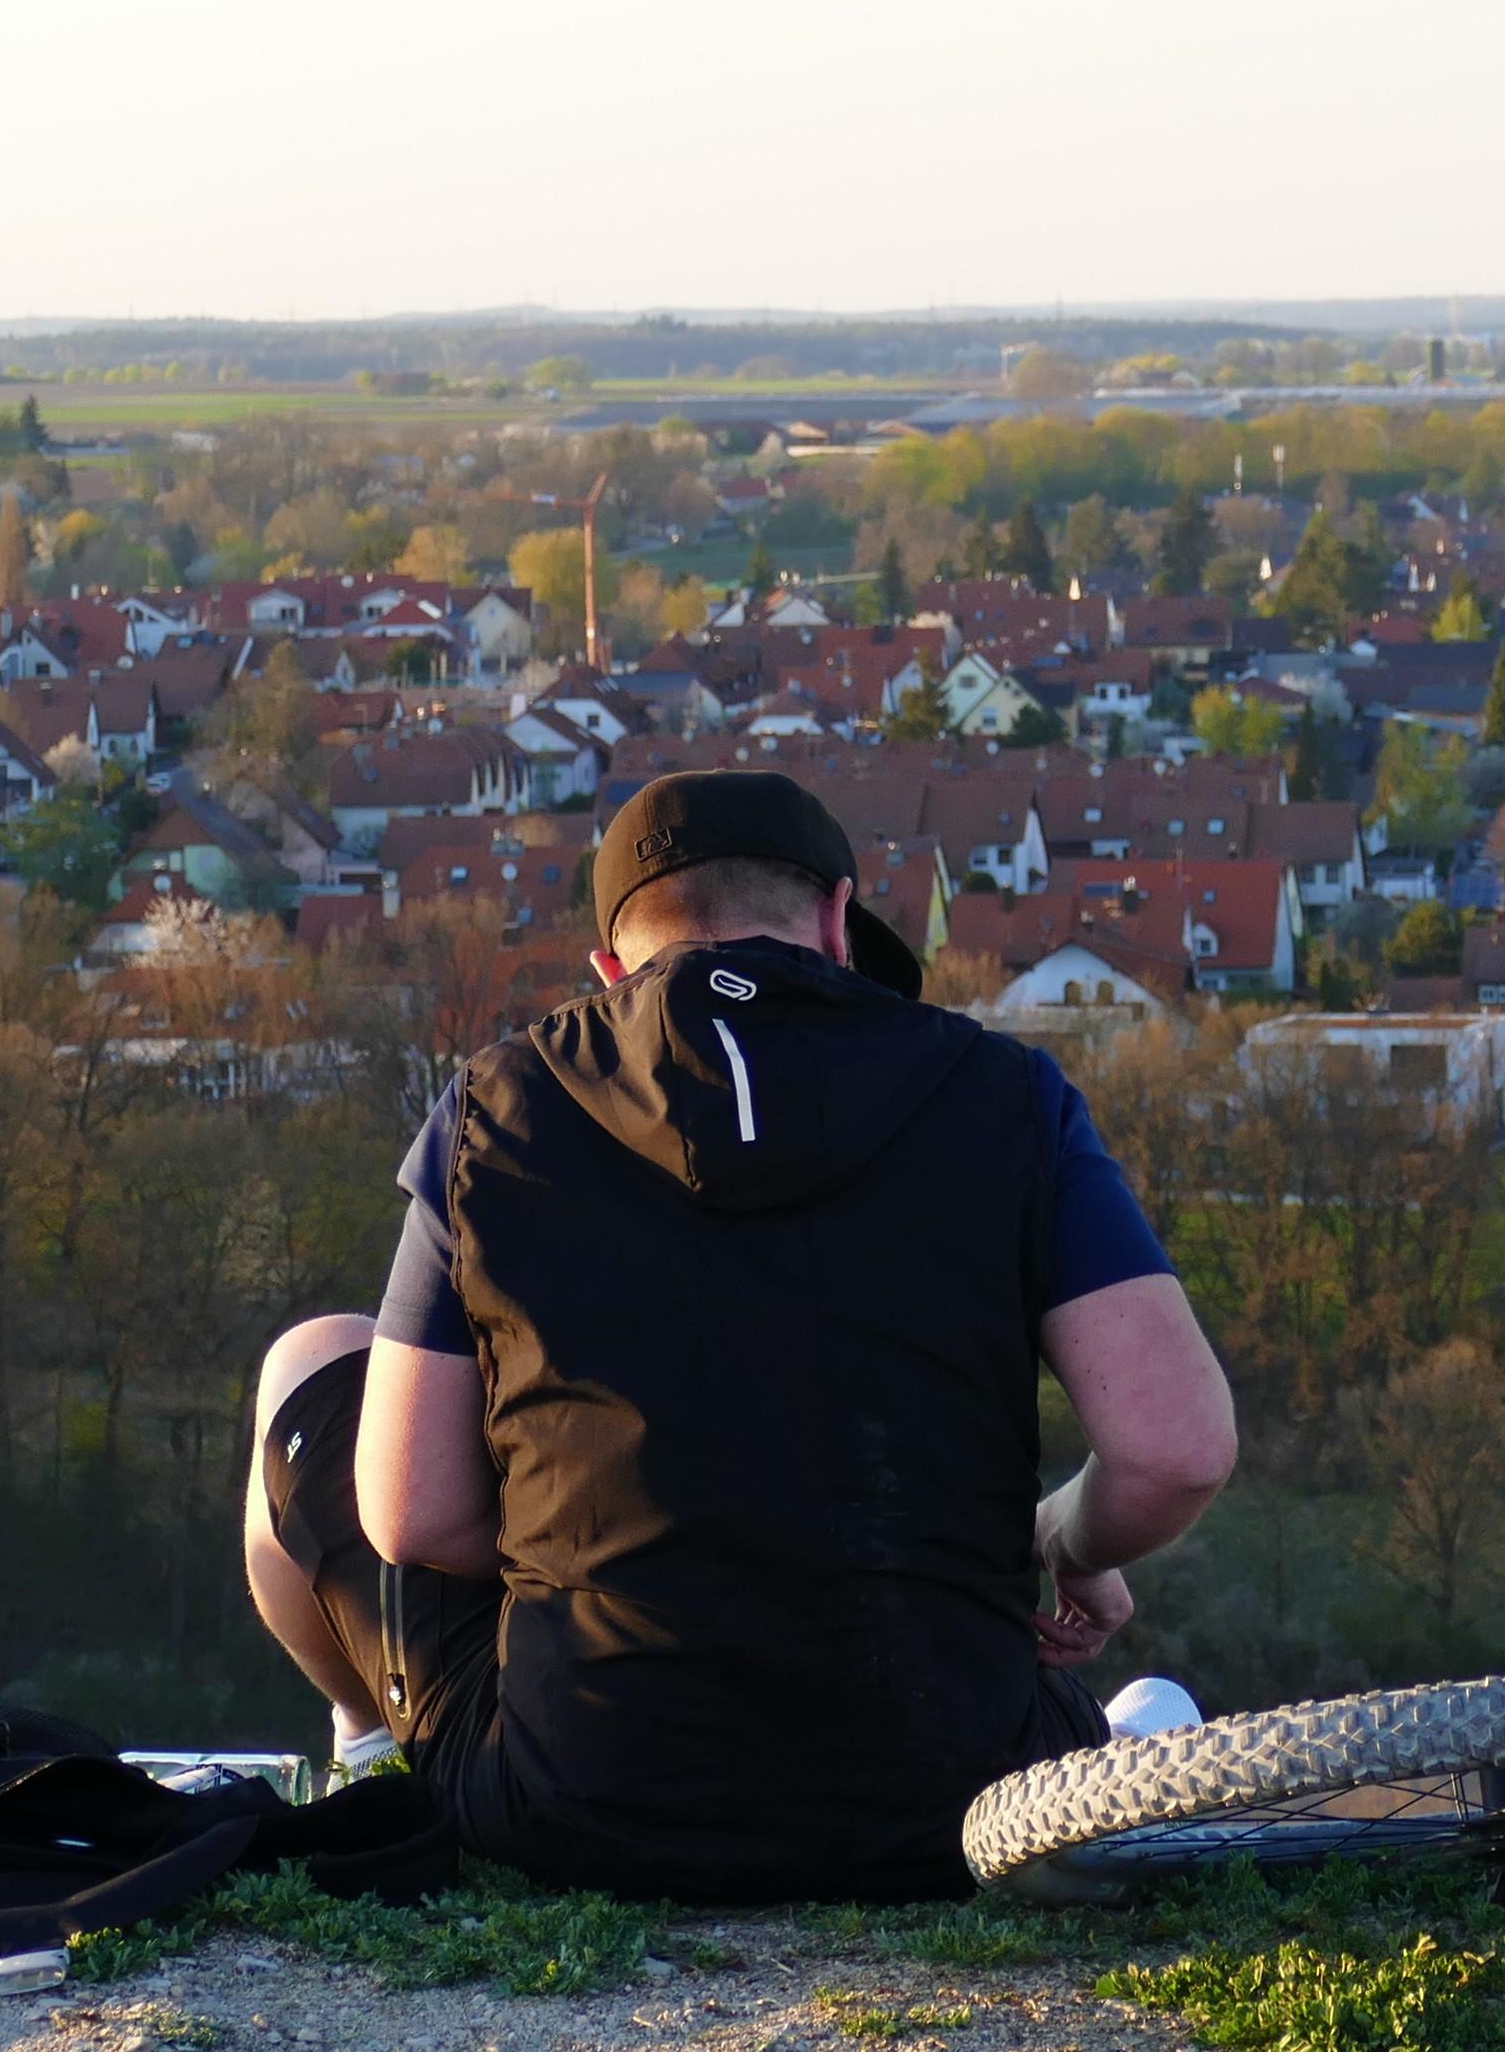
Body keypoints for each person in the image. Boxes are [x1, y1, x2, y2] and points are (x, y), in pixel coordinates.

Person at [240, 768, 1238, 1901]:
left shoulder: (495, 1107)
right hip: (959, 1801)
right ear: (833, 919)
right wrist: (1054, 1544)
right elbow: (1175, 1450)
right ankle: (1126, 1747)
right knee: (1112, 1720)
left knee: (310, 1362)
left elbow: (409, 1514)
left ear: (608, 970)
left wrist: (596, 1550)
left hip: (577, 1802)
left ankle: (370, 1751)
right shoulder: (1006, 1094)